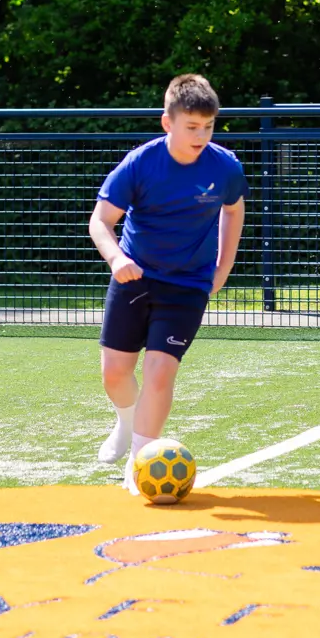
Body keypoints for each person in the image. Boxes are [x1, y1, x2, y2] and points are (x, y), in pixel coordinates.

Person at [89, 74, 248, 492]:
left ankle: (139, 463)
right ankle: (125, 423)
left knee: (160, 372)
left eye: (209, 126)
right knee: (114, 373)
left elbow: (233, 210)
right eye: (192, 127)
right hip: (135, 276)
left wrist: (223, 268)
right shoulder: (140, 163)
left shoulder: (225, 166)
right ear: (168, 123)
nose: (201, 135)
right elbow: (100, 221)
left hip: (188, 285)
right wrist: (116, 258)